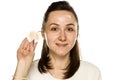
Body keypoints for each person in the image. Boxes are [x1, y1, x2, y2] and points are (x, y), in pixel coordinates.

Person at [13, 1, 101, 80]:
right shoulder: (28, 72)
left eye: (69, 29)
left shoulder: (92, 73)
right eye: (54, 29)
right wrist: (21, 71)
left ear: (77, 33)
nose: (62, 37)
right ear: (43, 33)